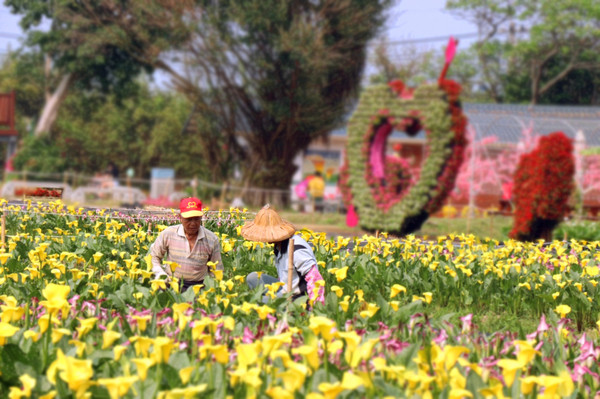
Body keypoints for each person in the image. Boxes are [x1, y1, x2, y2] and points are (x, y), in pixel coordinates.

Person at [241, 204, 325, 305]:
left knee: (255, 303)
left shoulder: (296, 250)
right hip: (286, 289)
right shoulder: (279, 245)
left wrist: (314, 306)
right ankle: (270, 300)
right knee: (253, 278)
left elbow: (315, 277)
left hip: (298, 298)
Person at [150, 197, 223, 292]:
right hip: (171, 282)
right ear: (180, 217)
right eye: (189, 219)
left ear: (201, 217)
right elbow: (154, 257)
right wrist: (160, 274)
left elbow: (217, 269)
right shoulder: (168, 234)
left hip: (198, 286)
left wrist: (215, 288)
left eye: (196, 219)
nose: (193, 223)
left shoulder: (211, 239)